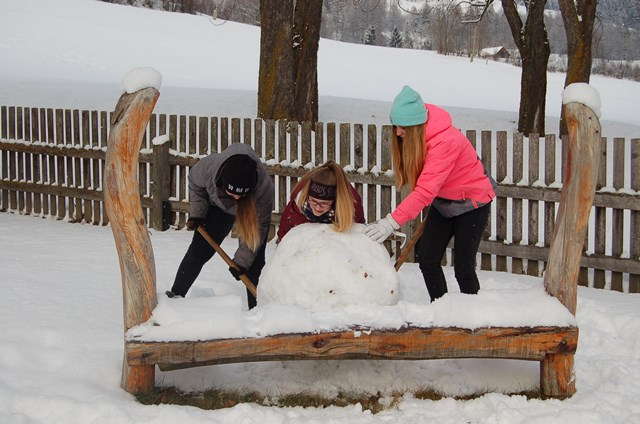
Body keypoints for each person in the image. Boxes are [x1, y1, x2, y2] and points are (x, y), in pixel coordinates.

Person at [364, 85, 497, 302]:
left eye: (403, 128)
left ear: (416, 126)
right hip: (443, 201)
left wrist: (391, 222)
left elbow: (424, 192)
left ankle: (474, 319)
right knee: (427, 260)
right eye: (396, 126)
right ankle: (442, 308)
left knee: (463, 267)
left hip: (472, 202)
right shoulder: (418, 137)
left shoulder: (446, 141)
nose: (398, 133)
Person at [166, 143, 274, 309]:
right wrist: (198, 214)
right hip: (218, 206)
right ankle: (175, 297)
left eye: (241, 194)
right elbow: (195, 184)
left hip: (252, 212)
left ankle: (257, 312)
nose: (237, 198)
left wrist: (242, 262)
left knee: (254, 263)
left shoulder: (263, 189)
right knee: (198, 251)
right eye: (233, 192)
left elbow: (257, 229)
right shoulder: (208, 168)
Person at [277, 160, 365, 241]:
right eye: (313, 201)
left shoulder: (352, 206)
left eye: (325, 203)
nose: (318, 208)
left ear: (334, 201)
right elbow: (283, 236)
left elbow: (358, 235)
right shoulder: (297, 204)